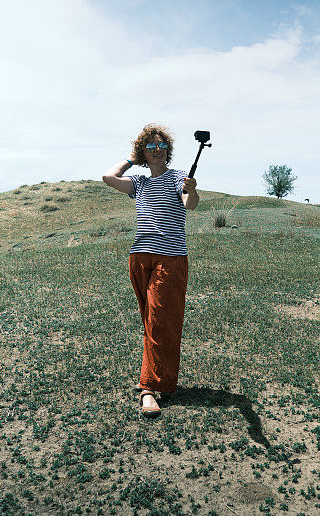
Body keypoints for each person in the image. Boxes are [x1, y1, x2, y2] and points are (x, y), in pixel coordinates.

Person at [102, 124, 199, 418]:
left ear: (168, 151)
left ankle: (148, 388)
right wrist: (132, 158)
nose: (158, 150)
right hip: (139, 257)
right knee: (151, 320)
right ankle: (154, 375)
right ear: (144, 152)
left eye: (162, 146)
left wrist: (191, 190)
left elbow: (189, 203)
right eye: (151, 146)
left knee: (159, 320)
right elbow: (108, 177)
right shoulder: (139, 183)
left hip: (169, 259)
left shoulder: (177, 177)